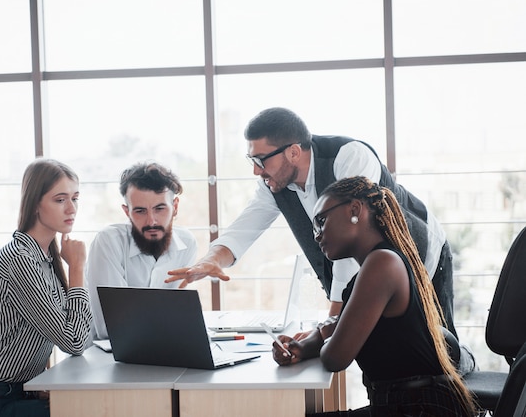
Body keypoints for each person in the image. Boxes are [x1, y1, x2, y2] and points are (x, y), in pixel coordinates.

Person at [166, 106, 475, 374]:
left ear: (293, 151)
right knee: (385, 353)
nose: (255, 170)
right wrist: (210, 260)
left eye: (260, 159)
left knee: (439, 357)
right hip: (370, 279)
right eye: (252, 159)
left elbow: (349, 248)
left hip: (422, 259)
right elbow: (246, 226)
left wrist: (330, 324)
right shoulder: (275, 184)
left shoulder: (349, 157)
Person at [272, 176, 476, 416]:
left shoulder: (382, 264)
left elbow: (335, 358)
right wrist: (306, 344)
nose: (316, 235)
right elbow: (343, 329)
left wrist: (327, 334)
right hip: (402, 405)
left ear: (355, 210)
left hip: (419, 409)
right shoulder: (374, 266)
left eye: (321, 221)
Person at [0, 158, 92, 417]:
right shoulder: (20, 259)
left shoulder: (46, 259)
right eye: (60, 200)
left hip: (15, 392)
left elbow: (77, 332)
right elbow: (74, 341)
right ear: (35, 204)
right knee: (86, 411)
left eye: (75, 198)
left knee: (87, 407)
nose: (72, 208)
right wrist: (78, 269)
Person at [86, 161, 197, 339]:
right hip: (105, 356)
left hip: (161, 347)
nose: (151, 221)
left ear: (175, 207)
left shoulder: (187, 243)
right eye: (140, 211)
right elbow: (110, 326)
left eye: (160, 209)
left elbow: (179, 315)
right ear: (127, 212)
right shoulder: (108, 242)